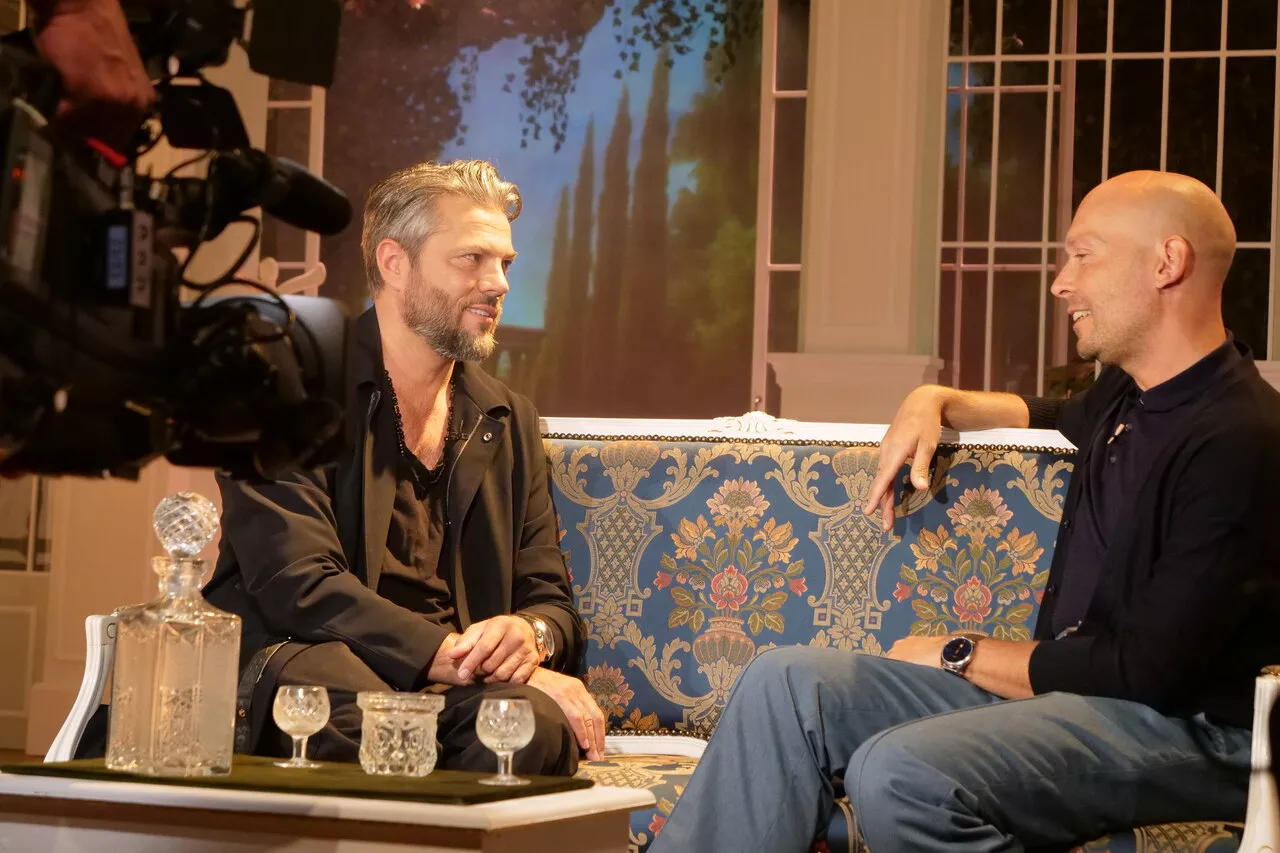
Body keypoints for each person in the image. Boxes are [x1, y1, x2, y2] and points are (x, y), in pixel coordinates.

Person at [648, 170, 1280, 852]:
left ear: (1167, 262)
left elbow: (1149, 672)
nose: (1061, 282)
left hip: (1197, 733)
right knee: (787, 683)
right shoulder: (1128, 398)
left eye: (1083, 255)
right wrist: (936, 399)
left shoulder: (1242, 439)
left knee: (899, 772)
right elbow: (1052, 412)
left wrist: (960, 653)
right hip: (1081, 701)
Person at [203, 160, 605, 774]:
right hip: (313, 659)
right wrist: (455, 656)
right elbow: (297, 583)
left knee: (533, 728)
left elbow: (549, 600)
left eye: (505, 263)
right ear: (394, 263)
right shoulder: (289, 386)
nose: (497, 283)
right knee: (356, 713)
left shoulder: (507, 417)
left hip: (453, 683)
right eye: (471, 259)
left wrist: (530, 637)